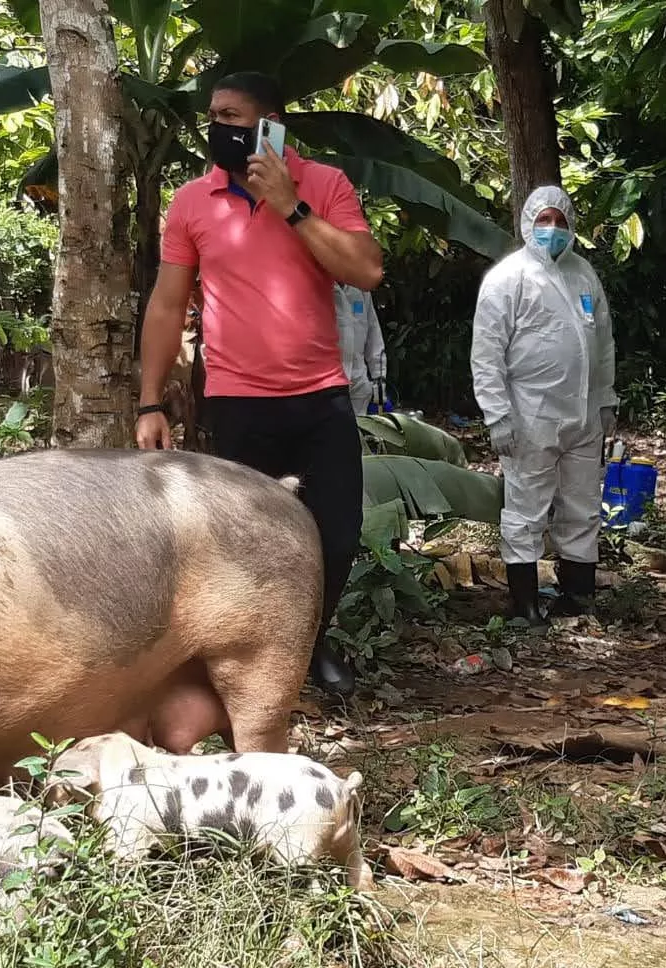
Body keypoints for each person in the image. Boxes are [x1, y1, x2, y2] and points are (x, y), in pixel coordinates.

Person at [135, 71, 384, 699]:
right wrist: (150, 402)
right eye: (213, 115)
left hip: (320, 395)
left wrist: (290, 205)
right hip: (238, 400)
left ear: (271, 125)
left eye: (233, 115)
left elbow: (367, 270)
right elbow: (167, 307)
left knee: (335, 534)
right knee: (240, 543)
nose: (219, 126)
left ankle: (310, 643)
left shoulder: (324, 184)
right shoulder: (194, 201)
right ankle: (238, 662)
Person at [471, 185, 617, 622]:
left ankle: (577, 596)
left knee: (582, 504)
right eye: (544, 220)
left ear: (572, 225)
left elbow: (603, 342)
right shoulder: (508, 278)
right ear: (527, 223)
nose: (552, 229)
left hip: (585, 414)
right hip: (530, 414)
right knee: (525, 507)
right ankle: (524, 604)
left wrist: (606, 397)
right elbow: (487, 351)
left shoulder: (584, 273)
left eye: (560, 221)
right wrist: (496, 414)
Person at [334, 283, 388, 416]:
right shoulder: (318, 285)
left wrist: (379, 380)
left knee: (360, 434)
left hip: (358, 384)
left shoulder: (360, 289)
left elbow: (374, 337)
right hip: (328, 386)